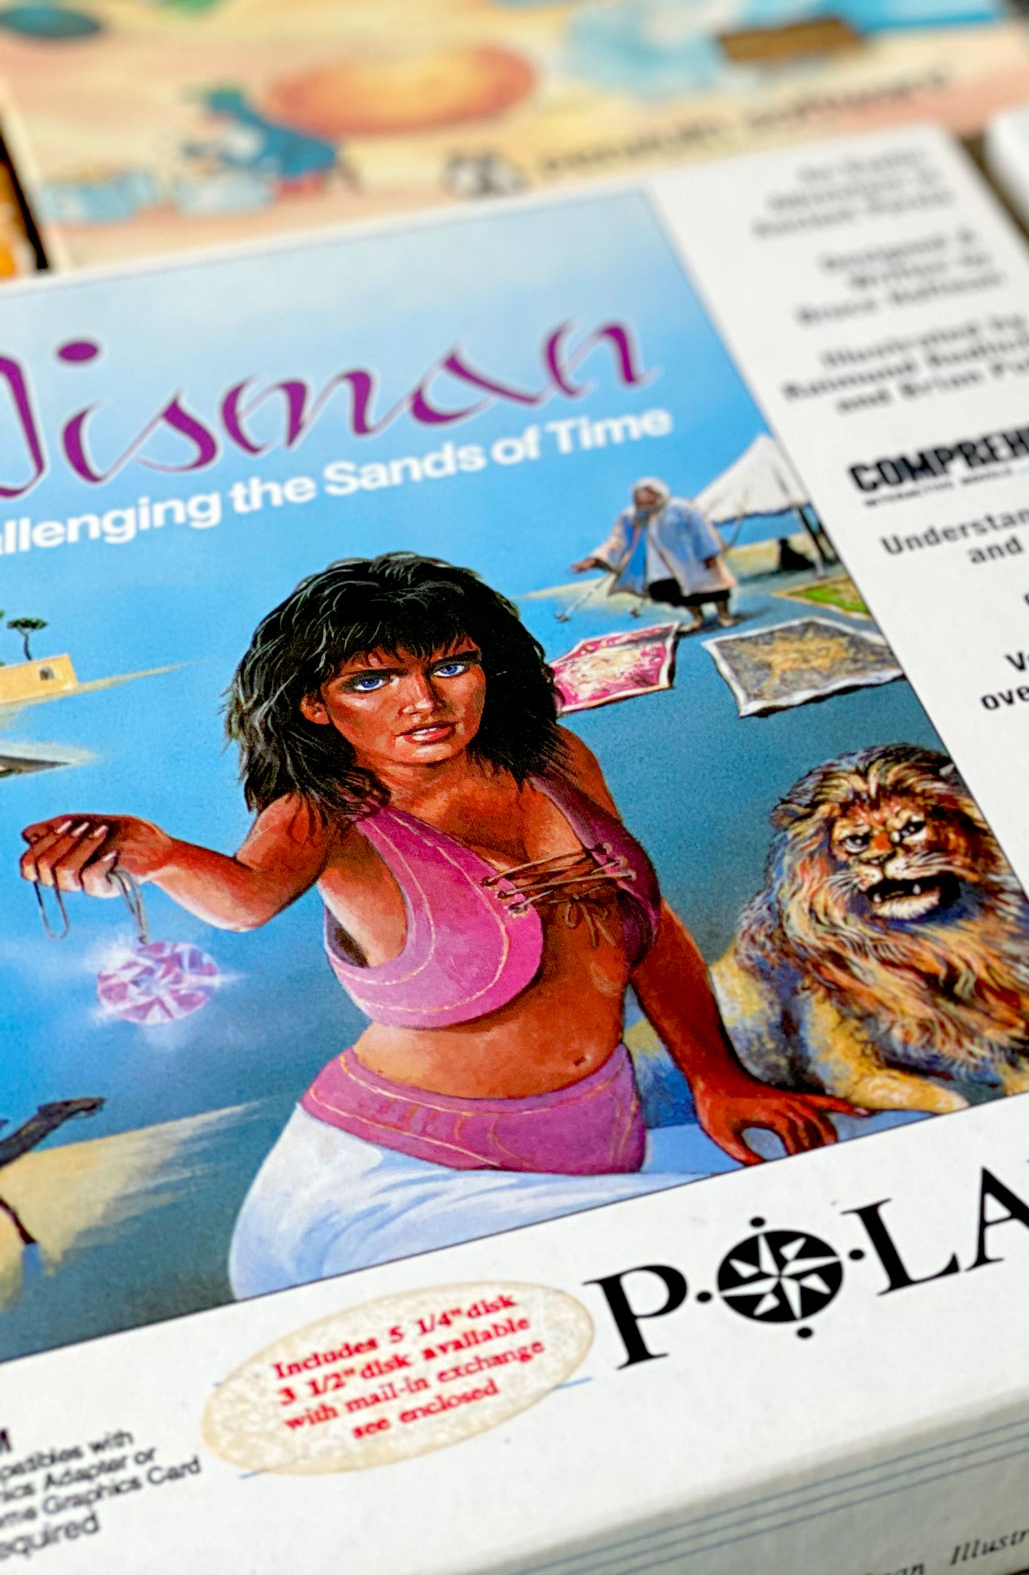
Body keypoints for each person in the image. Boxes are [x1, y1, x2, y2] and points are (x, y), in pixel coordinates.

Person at [18, 554, 854, 1295]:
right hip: (394, 1176)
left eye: (451, 665)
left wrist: (716, 1076)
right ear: (315, 705)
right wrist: (158, 853)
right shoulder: (324, 814)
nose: (424, 702)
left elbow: (644, 923)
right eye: (371, 682)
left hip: (600, 1135)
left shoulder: (556, 759)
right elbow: (246, 898)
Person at [574, 478, 743, 630]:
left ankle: (724, 615)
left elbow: (701, 530)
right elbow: (618, 540)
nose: (645, 499)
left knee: (714, 587)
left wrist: (708, 552)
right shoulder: (633, 516)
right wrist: (594, 560)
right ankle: (697, 618)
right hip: (661, 567)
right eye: (640, 495)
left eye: (648, 494)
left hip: (693, 559)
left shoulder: (680, 508)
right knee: (678, 593)